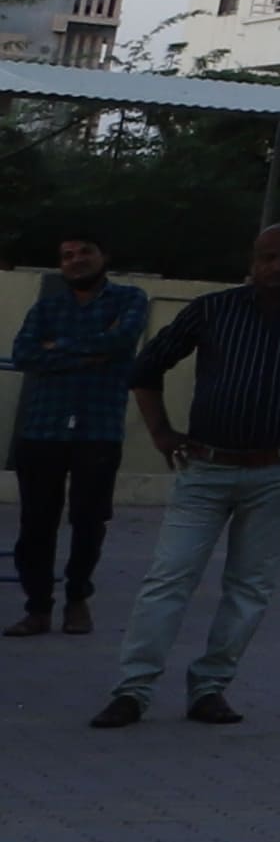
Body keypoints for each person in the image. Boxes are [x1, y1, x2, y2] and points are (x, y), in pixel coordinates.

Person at [99, 220, 280, 730]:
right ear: (252, 260)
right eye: (268, 256)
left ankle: (210, 687)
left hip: (278, 473)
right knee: (168, 578)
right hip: (205, 469)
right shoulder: (211, 310)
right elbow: (146, 367)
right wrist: (161, 432)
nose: (277, 266)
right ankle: (133, 689)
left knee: (249, 588)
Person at [13, 234, 148, 636]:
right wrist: (92, 353)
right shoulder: (47, 307)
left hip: (97, 428)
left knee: (89, 521)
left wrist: (56, 347)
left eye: (85, 252)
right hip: (42, 428)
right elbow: (24, 354)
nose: (76, 260)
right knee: (36, 524)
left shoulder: (129, 299)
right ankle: (37, 608)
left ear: (104, 256)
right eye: (67, 255)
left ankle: (77, 600)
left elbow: (123, 340)